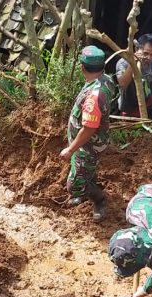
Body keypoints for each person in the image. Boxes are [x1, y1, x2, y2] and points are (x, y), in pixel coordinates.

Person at [60, 45, 116, 222]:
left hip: (88, 145)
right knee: (88, 171)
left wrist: (70, 149)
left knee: (74, 185)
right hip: (91, 143)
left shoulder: (94, 95)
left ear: (82, 68)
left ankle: (99, 200)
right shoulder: (105, 79)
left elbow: (89, 128)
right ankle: (88, 186)